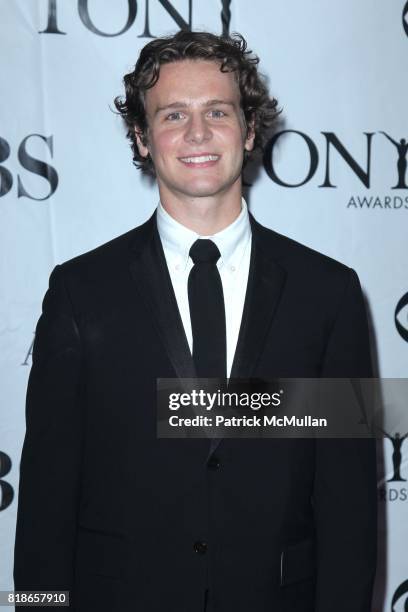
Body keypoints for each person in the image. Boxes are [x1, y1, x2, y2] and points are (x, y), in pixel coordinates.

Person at [14, 31, 377, 612]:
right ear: (141, 136)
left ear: (250, 128)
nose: (198, 133)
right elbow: (45, 502)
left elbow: (349, 505)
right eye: (173, 114)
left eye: (218, 111)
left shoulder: (326, 294)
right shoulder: (81, 291)